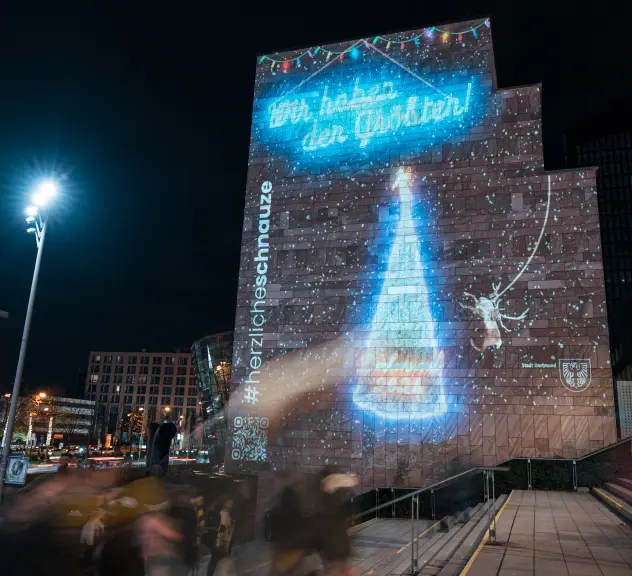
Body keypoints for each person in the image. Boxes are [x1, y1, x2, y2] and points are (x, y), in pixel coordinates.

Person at [317, 468, 359, 576]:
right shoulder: (340, 498)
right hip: (339, 545)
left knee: (334, 569)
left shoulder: (326, 500)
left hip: (333, 547)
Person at [206, 497, 233, 575]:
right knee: (218, 561)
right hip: (221, 540)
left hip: (221, 539)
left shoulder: (218, 511)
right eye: (228, 503)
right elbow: (223, 527)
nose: (230, 505)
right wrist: (221, 543)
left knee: (216, 560)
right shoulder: (223, 512)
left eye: (231, 503)